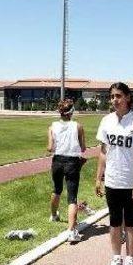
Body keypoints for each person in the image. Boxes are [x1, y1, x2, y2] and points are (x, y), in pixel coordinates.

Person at [95, 82, 133, 265]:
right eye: (112, 97)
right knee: (115, 222)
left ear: (127, 97)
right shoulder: (107, 121)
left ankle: (130, 260)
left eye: (118, 96)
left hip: (130, 182)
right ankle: (116, 258)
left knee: (131, 222)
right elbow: (103, 152)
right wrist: (98, 178)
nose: (114, 100)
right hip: (112, 180)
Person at [47, 98, 86, 242]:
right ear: (72, 112)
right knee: (72, 196)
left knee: (57, 189)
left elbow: (50, 148)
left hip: (57, 161)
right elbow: (83, 148)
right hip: (72, 162)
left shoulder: (52, 127)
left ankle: (54, 215)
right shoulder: (78, 126)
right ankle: (71, 231)